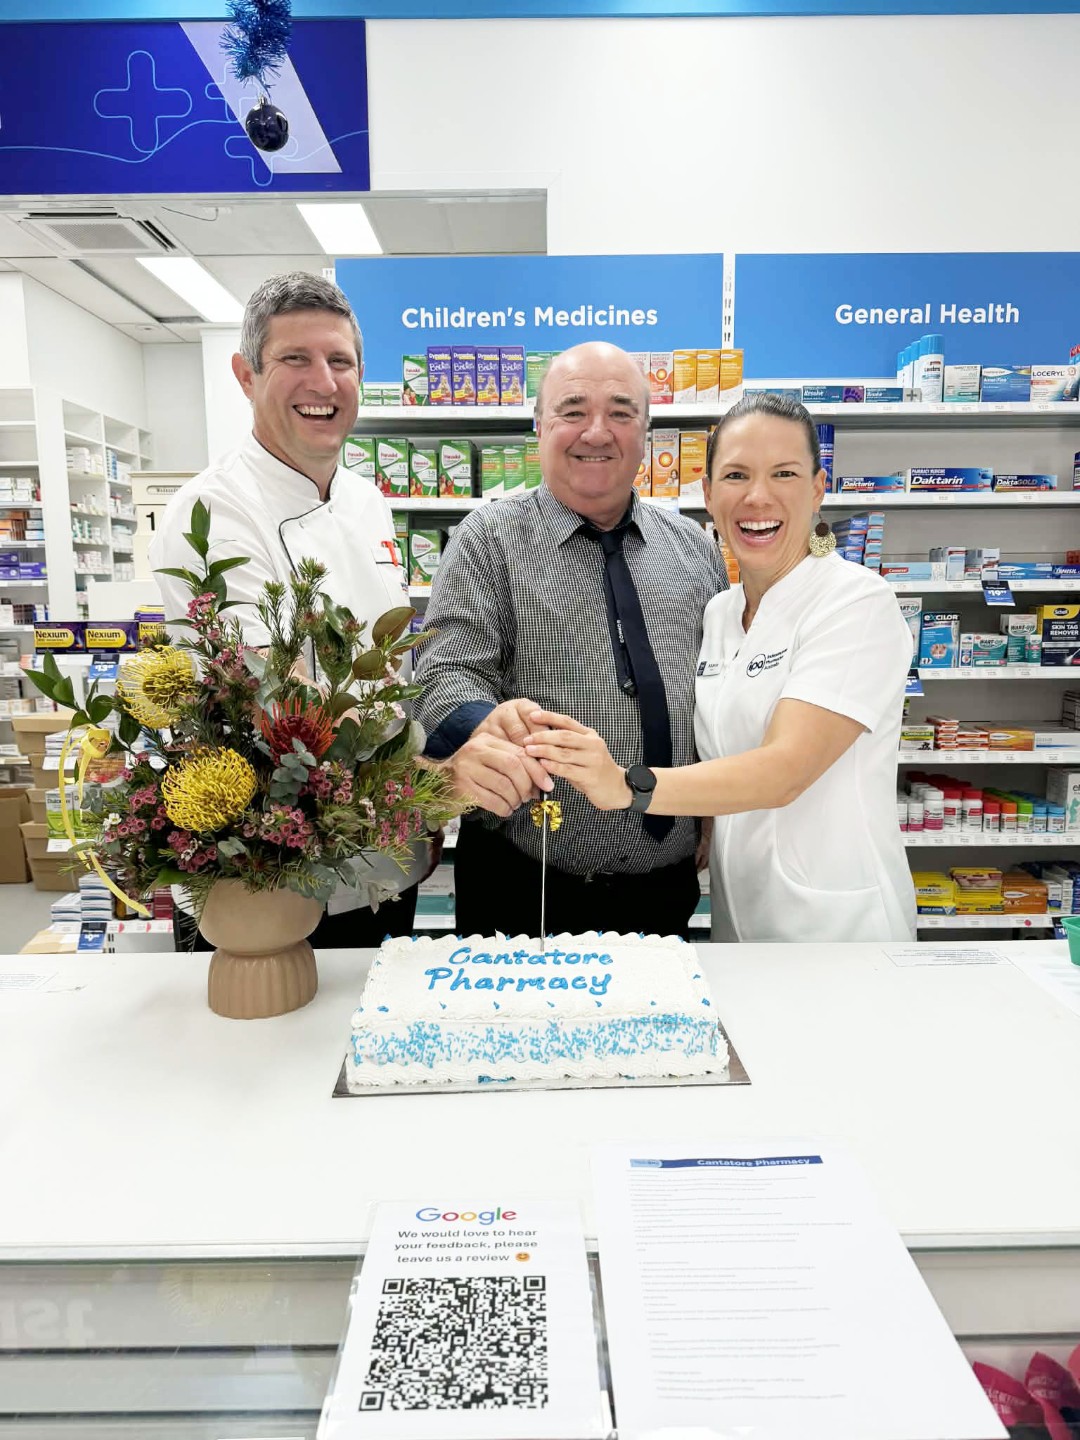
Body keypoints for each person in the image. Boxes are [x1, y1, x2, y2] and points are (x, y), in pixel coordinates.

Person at [523, 390, 917, 943]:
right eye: (735, 476)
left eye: (783, 474)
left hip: (839, 928)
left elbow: (784, 770)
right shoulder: (721, 612)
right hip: (742, 918)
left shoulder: (855, 603)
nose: (757, 497)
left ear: (817, 488)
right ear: (708, 494)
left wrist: (627, 786)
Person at [151, 271, 429, 946]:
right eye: (295, 358)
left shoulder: (367, 501)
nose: (323, 382)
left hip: (380, 861)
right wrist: (427, 773)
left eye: (341, 361)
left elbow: (386, 671)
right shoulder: (211, 510)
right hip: (268, 872)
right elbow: (269, 694)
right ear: (245, 375)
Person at [413, 341, 727, 938]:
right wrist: (484, 722)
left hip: (665, 885)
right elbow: (444, 672)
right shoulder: (488, 538)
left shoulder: (694, 548)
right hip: (522, 882)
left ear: (646, 432)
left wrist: (710, 808)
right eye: (573, 410)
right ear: (539, 426)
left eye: (621, 412)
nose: (597, 431)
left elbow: (717, 689)